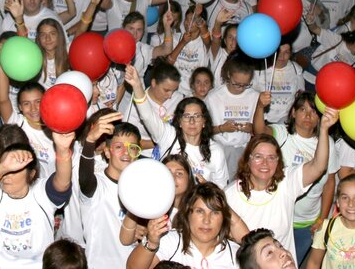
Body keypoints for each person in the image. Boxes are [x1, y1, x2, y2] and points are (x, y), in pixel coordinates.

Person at [225, 106, 339, 262]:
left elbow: (318, 167)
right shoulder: (230, 195)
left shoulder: (287, 182)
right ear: (247, 160)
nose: (265, 163)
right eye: (258, 157)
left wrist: (324, 129)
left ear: (278, 161)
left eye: (271, 157)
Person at [0, 132, 74, 269]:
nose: (6, 175)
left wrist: (63, 151)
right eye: (5, 169)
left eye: (15, 170)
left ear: (31, 174)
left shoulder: (41, 193)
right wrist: (1, 168)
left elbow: (62, 183)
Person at [253, 91, 339, 264]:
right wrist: (260, 106)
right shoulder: (282, 133)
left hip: (307, 221)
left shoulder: (326, 142)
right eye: (302, 109)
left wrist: (322, 218)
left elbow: (330, 183)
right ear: (293, 112)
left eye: (313, 111)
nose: (308, 115)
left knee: (292, 263)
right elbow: (259, 131)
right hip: (278, 217)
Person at [126, 65, 228, 187]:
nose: (192, 121)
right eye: (186, 116)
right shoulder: (168, 136)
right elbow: (147, 116)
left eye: (197, 116)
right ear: (179, 121)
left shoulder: (216, 151)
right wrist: (137, 86)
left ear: (204, 121)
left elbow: (221, 189)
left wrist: (207, 188)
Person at [79, 112, 143, 267]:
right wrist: (90, 141)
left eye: (132, 148)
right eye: (119, 147)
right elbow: (85, 179)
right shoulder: (97, 185)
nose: (126, 153)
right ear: (107, 152)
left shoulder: (142, 188)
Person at [126, 182, 240, 269]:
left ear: (223, 217)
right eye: (200, 211)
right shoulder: (170, 240)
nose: (207, 220)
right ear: (188, 214)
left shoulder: (236, 255)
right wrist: (151, 242)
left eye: (215, 212)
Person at [307, 173, 355, 269]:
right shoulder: (326, 227)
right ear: (338, 202)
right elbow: (314, 263)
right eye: (345, 198)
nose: (351, 204)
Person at [206, 57, 259, 176]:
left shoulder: (254, 96)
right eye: (237, 84)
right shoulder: (213, 97)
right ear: (229, 75)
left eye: (245, 85)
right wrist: (222, 128)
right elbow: (204, 131)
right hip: (221, 147)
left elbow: (261, 129)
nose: (241, 88)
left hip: (245, 147)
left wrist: (251, 128)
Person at [251, 44, 304, 124]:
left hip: (286, 121)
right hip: (264, 120)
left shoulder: (296, 69)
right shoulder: (259, 69)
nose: (281, 56)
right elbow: (249, 94)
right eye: (278, 52)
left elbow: (301, 96)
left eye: (286, 52)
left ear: (290, 54)